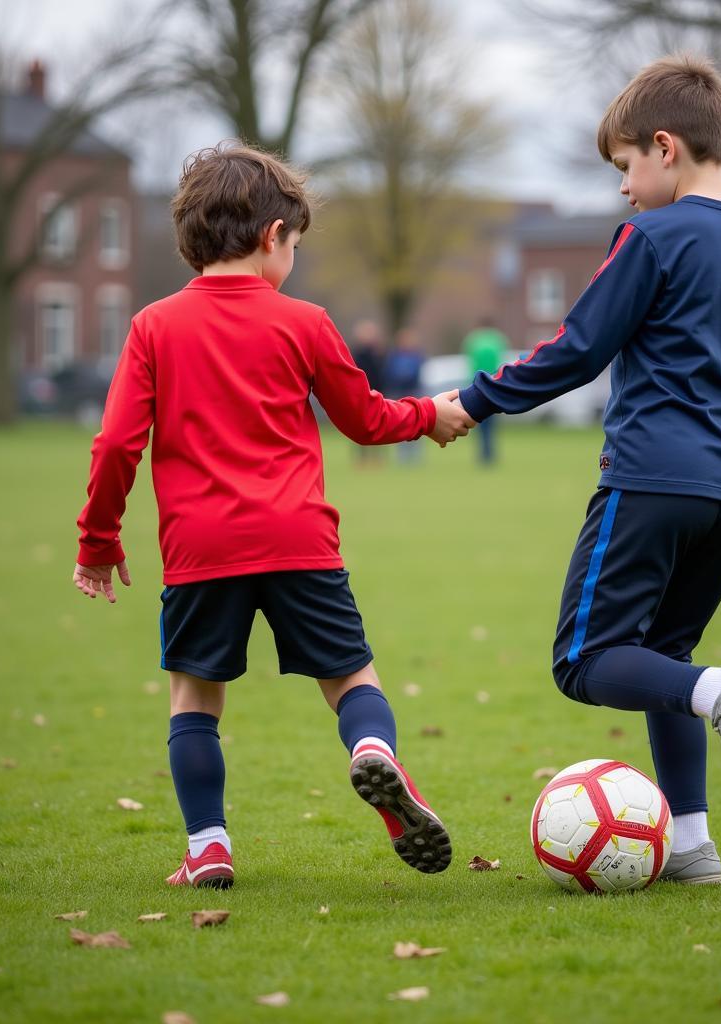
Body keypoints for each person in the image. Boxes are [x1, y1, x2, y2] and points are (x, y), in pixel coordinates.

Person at [454, 56, 721, 885]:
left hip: (650, 480)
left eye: (624, 167)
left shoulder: (649, 238)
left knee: (587, 661)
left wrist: (474, 402)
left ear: (665, 148)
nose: (623, 189)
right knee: (665, 650)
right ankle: (692, 847)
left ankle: (718, 692)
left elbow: (578, 348)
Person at [71, 142, 472, 889]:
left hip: (201, 550)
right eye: (294, 243)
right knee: (352, 679)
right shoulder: (305, 322)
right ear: (269, 237)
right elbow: (363, 418)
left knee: (194, 698)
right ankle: (372, 755)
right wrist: (431, 416)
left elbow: (118, 443)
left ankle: (210, 846)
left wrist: (98, 542)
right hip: (300, 541)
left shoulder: (153, 327)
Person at [462, 316, 507, 464]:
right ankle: (490, 453)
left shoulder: (473, 340)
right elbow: (502, 362)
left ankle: (482, 454)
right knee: (492, 423)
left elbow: (469, 362)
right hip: (494, 385)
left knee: (478, 421)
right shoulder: (498, 339)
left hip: (477, 386)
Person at [349, 319, 388, 465]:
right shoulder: (356, 353)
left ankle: (377, 456)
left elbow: (383, 371)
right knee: (360, 424)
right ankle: (362, 457)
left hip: (378, 391)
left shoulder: (378, 353)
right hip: (362, 393)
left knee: (381, 423)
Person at [385, 327, 426, 464]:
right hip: (399, 394)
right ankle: (402, 457)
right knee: (400, 424)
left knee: (419, 423)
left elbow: (418, 372)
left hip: (414, 392)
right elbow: (390, 373)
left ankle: (416, 456)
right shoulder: (394, 356)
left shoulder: (417, 356)